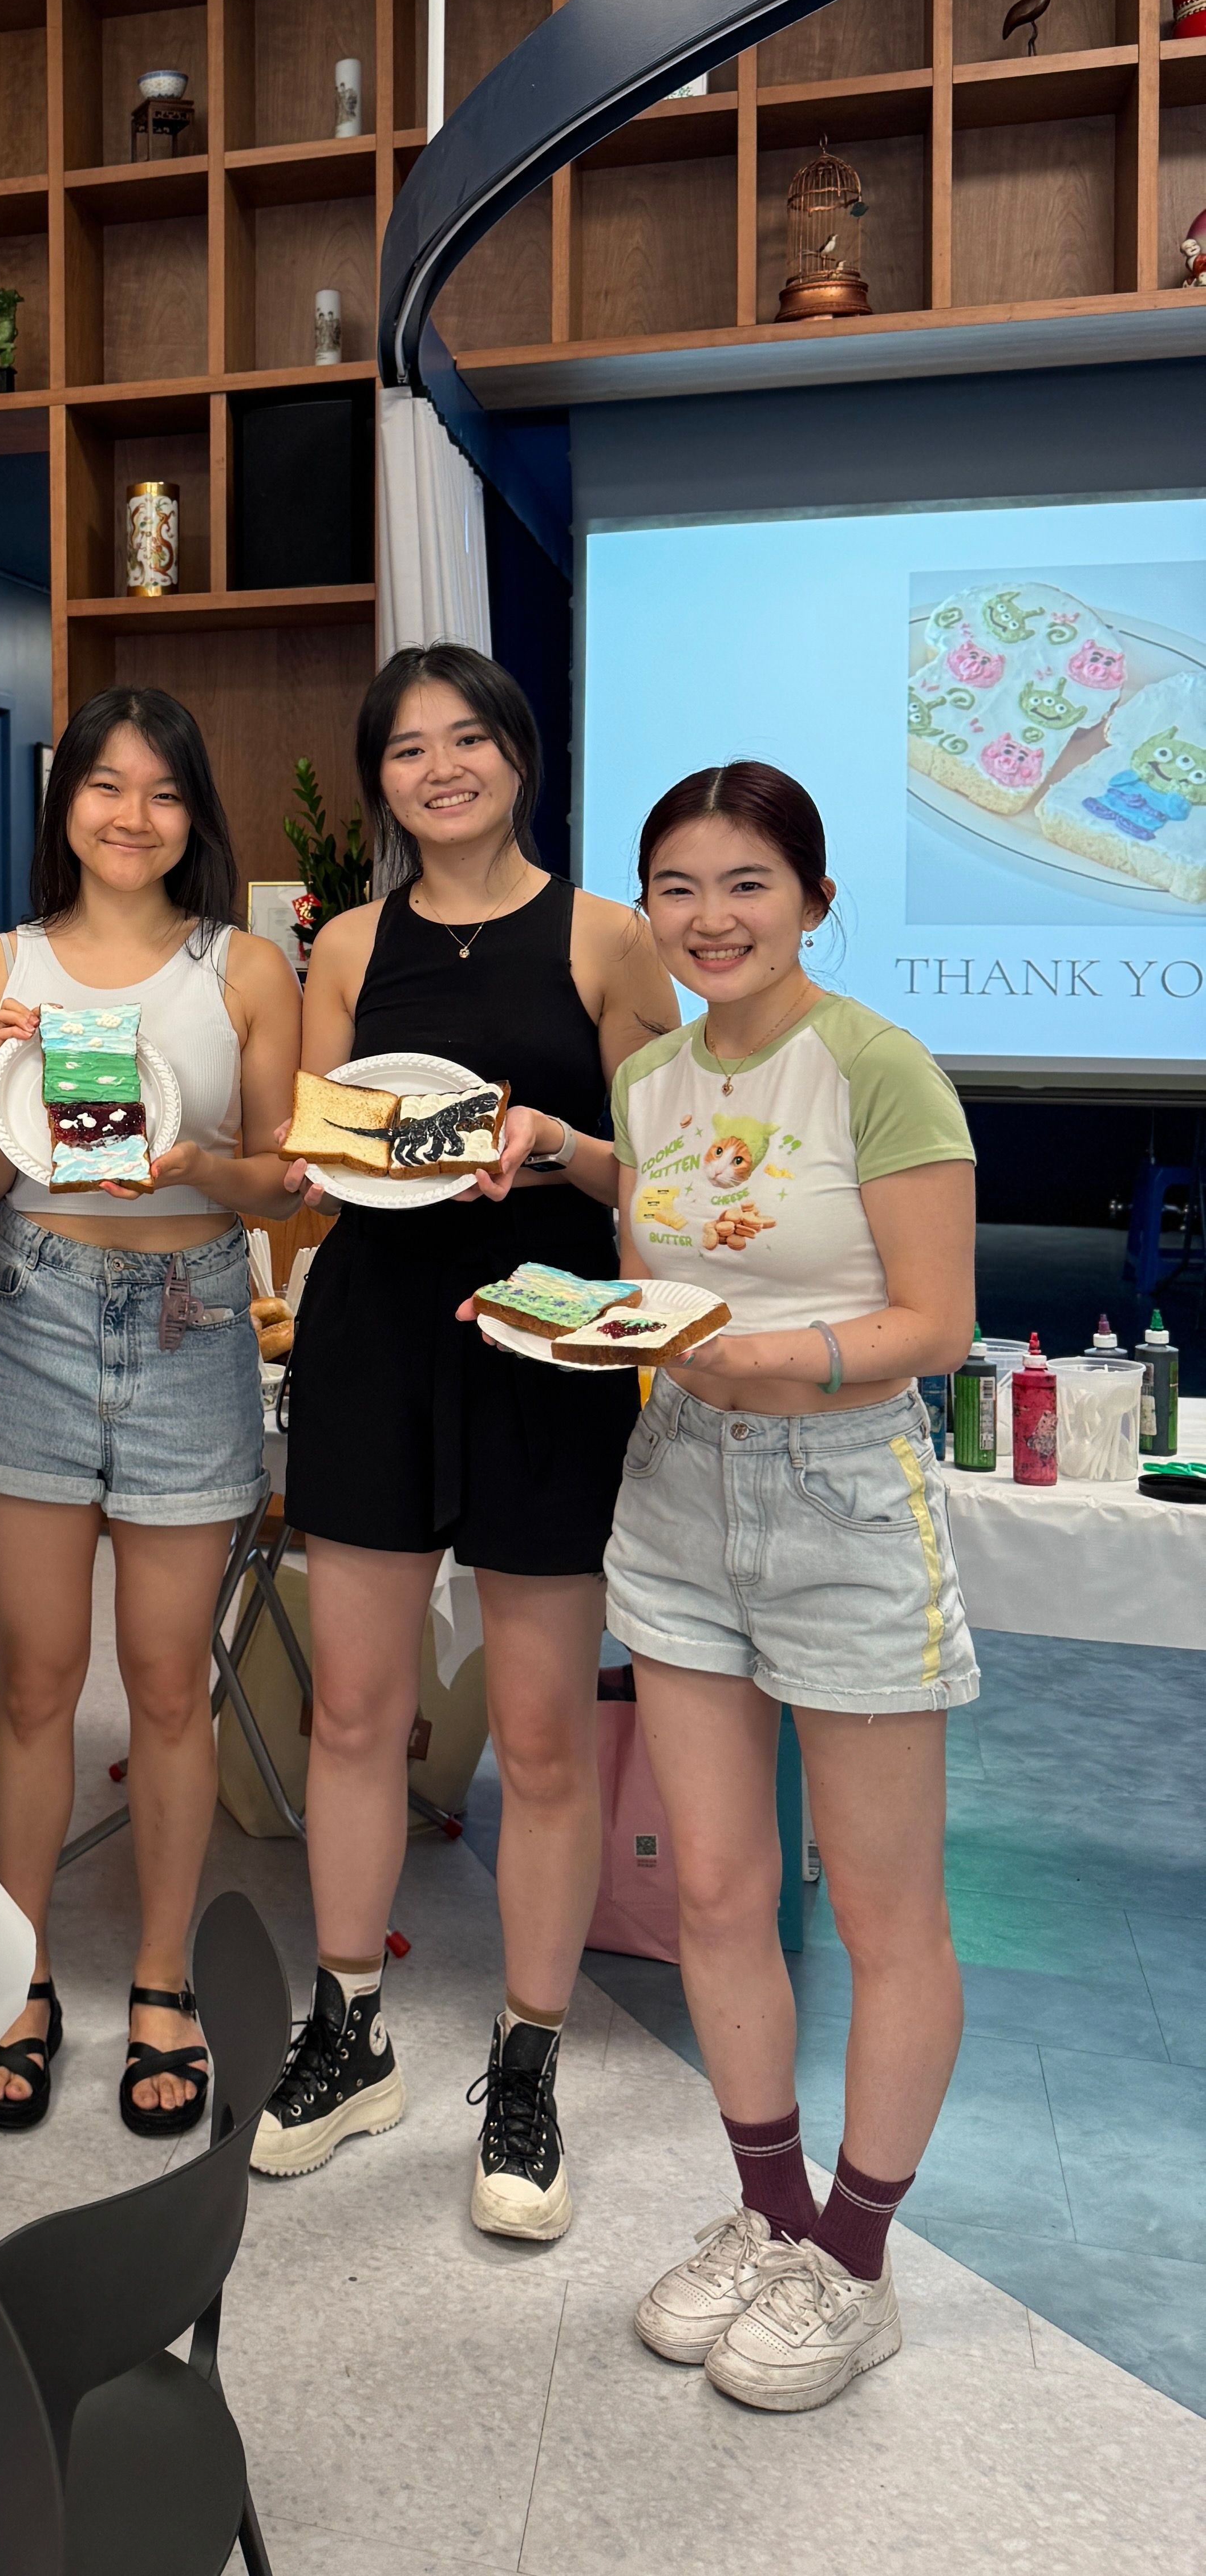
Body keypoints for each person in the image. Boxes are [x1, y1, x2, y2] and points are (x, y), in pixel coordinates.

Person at [258, 643, 678, 2236]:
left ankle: (524, 2058)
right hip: (372, 1337)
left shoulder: (605, 936)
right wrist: (306, 1159)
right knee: (356, 1709)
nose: (441, 768)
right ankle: (348, 2025)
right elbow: (320, 1147)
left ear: (518, 755)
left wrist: (558, 1145)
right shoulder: (349, 942)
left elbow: (666, 1165)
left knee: (541, 1733)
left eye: (469, 739)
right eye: (407, 748)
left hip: (540, 1346)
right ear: (376, 779)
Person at [606, 762, 976, 2412]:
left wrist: (773, 1365)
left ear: (811, 899)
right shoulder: (646, 1085)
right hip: (676, 1489)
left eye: (745, 882)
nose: (708, 918)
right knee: (712, 1893)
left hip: (841, 1496)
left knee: (887, 1916)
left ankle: (856, 2257)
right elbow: (650, 1295)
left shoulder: (877, 1070)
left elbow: (933, 1324)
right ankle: (768, 2215)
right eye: (676, 887)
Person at [0, 688, 302, 2139]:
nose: (131, 814)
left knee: (169, 1686)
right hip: (32, 1308)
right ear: (65, 805)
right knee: (34, 1682)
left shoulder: (246, 969)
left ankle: (160, 1978)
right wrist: (1, 1091)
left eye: (163, 791)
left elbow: (296, 1185)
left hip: (196, 1318)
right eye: (103, 786)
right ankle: (17, 1974)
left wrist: (194, 1155)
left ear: (194, 815)